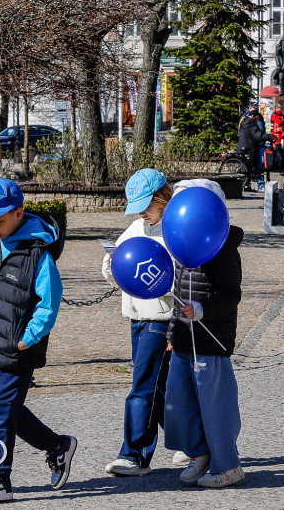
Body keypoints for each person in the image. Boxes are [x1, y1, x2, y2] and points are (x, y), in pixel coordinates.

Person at [0, 179, 77, 502]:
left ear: (19, 213)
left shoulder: (38, 252)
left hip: (19, 349)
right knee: (5, 410)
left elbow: (50, 300)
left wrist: (28, 338)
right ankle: (58, 446)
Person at [164, 180, 245, 487]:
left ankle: (228, 465)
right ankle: (202, 454)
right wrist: (173, 333)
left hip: (211, 340)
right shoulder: (182, 244)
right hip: (185, 339)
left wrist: (203, 310)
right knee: (179, 404)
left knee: (215, 406)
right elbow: (178, 292)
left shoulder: (222, 249)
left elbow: (230, 295)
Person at [101, 169, 178, 476]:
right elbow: (114, 270)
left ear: (163, 197)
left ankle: (133, 454)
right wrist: (111, 264)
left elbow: (181, 276)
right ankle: (191, 443)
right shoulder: (135, 228)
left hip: (160, 318)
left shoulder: (176, 229)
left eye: (148, 205)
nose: (143, 213)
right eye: (139, 207)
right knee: (159, 387)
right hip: (136, 316)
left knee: (142, 386)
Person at [237, 109, 273, 191]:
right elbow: (258, 135)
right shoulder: (251, 123)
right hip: (249, 148)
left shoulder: (247, 121)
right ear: (256, 116)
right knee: (257, 165)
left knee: (248, 166)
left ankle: (246, 185)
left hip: (243, 146)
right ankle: (260, 185)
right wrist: (270, 136)